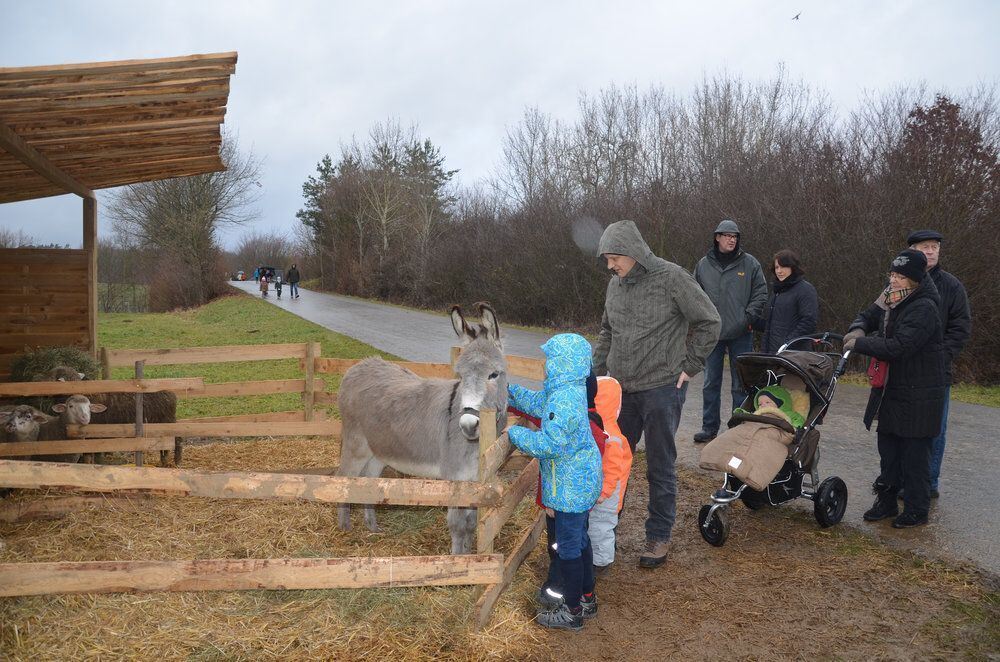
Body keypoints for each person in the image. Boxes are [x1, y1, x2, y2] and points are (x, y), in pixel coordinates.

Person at [593, 220, 720, 569]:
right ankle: (605, 531)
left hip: (663, 388)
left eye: (615, 257)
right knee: (612, 465)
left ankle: (658, 535)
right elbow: (607, 331)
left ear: (634, 252)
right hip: (621, 391)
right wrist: (593, 375)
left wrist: (691, 364)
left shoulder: (672, 278)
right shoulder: (614, 286)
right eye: (607, 259)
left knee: (660, 466)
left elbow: (710, 320)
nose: (610, 265)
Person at [843, 249, 946, 529]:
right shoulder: (890, 296)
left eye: (901, 276)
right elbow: (868, 315)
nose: (895, 280)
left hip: (919, 392)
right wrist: (858, 329)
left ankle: (916, 509)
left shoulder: (924, 307)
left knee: (914, 455)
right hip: (892, 389)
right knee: (888, 449)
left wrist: (860, 344)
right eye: (892, 274)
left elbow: (900, 347)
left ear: (915, 279)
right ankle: (886, 501)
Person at [507, 333, 602, 631]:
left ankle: (572, 612)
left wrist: (515, 435)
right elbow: (540, 404)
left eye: (550, 360)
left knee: (569, 550)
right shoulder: (568, 391)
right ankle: (587, 597)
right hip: (578, 483)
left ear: (562, 364)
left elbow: (550, 444)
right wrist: (510, 392)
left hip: (571, 489)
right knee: (581, 542)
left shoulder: (564, 401)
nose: (546, 365)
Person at [905, 230, 971, 499]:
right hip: (903, 369)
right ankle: (900, 479)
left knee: (934, 429)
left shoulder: (952, 286)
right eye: (925, 247)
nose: (931, 251)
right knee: (902, 428)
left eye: (934, 247)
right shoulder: (900, 283)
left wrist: (940, 357)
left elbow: (960, 327)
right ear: (912, 250)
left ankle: (928, 483)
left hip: (936, 372)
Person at [693, 220, 768, 444]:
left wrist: (748, 319)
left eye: (735, 236)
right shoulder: (704, 265)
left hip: (741, 333)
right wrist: (701, 321)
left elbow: (761, 293)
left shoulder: (750, 264)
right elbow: (693, 295)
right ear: (717, 237)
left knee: (740, 383)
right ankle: (709, 428)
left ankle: (738, 427)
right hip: (712, 334)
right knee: (710, 382)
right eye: (727, 235)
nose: (731, 239)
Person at [589, 375, 632, 574]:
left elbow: (613, 469)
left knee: (601, 527)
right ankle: (596, 556)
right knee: (595, 526)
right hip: (600, 489)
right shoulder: (600, 428)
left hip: (608, 494)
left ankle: (601, 563)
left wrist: (604, 492)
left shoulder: (611, 437)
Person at [756, 249, 819, 353]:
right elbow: (771, 324)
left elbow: (809, 322)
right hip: (771, 354)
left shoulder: (805, 289)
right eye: (777, 267)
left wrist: (787, 343)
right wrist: (750, 320)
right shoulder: (776, 292)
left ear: (792, 267)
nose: (779, 271)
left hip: (794, 355)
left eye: (783, 266)